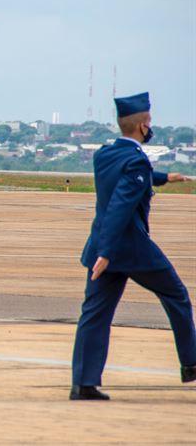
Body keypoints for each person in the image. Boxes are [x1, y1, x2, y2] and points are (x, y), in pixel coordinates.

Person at [71, 91, 196, 401]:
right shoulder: (136, 160)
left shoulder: (106, 154)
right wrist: (107, 253)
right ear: (142, 126)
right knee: (177, 295)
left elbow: (133, 177)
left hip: (102, 244)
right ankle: (191, 363)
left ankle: (84, 383)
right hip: (129, 248)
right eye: (149, 122)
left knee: (95, 313)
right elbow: (121, 204)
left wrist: (167, 178)